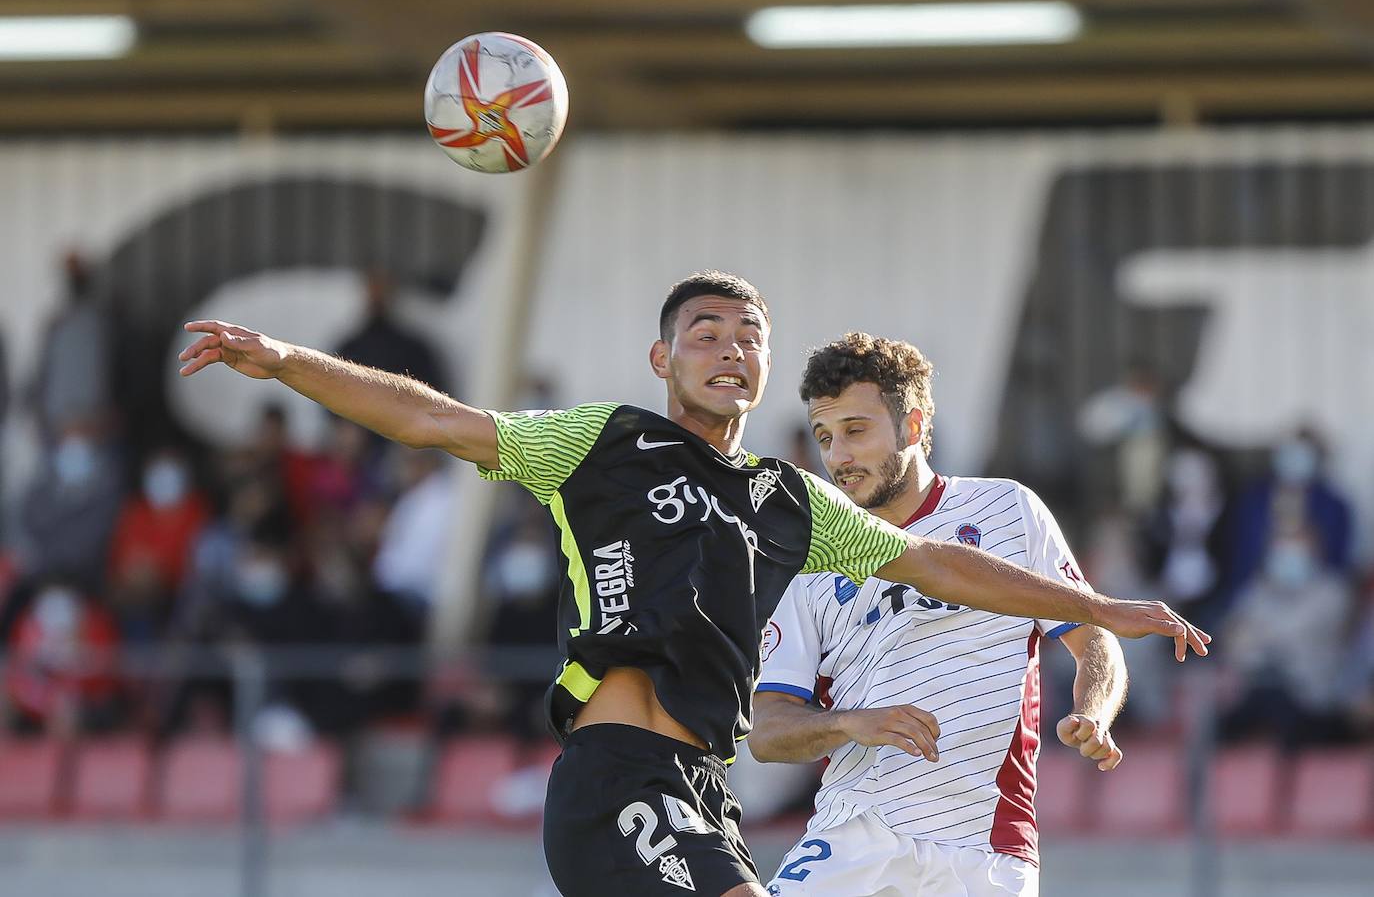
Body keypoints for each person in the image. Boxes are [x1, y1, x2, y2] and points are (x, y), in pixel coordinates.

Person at [178, 271, 1207, 897]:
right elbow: (437, 420)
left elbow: (939, 562)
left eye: (747, 335)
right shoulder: (603, 441)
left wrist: (1095, 609)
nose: (730, 347)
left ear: (762, 373)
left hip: (704, 794)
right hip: (617, 776)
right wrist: (288, 362)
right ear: (664, 356)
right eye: (705, 332)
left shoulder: (787, 499)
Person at [751, 333, 1131, 896]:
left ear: (912, 425)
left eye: (856, 431)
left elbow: (1093, 638)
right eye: (825, 437)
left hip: (985, 849)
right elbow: (767, 730)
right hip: (856, 831)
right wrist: (850, 723)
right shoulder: (806, 559)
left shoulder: (1008, 509)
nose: (838, 458)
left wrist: (1093, 712)